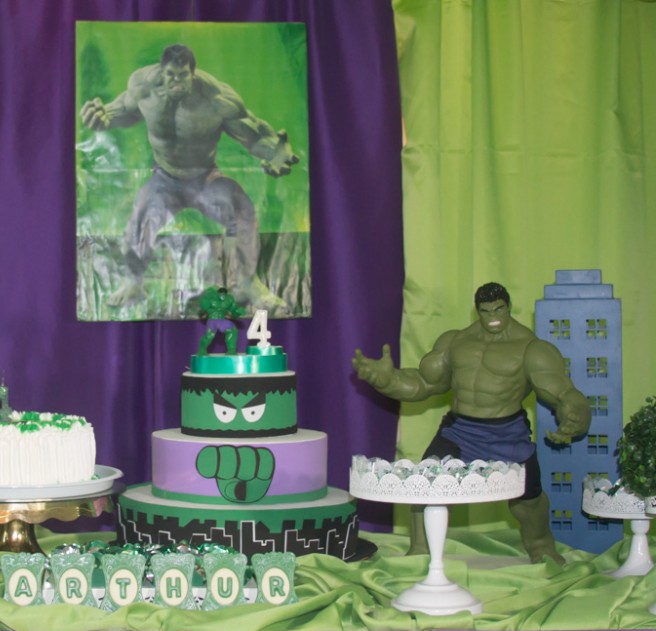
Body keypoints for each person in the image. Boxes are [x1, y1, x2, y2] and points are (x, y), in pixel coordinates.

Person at [352, 282, 591, 564]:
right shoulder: (456, 342)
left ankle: (542, 547)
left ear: (508, 306)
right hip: (460, 431)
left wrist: (576, 415)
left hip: (507, 433)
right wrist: (387, 380)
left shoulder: (531, 348)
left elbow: (563, 393)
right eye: (486, 310)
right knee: (425, 483)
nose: (493, 316)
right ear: (477, 310)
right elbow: (424, 383)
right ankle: (420, 553)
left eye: (498, 309)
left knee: (529, 500)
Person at [80, 43, 299, 313]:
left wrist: (274, 153)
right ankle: (133, 282)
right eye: (170, 75)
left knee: (241, 208)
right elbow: (121, 111)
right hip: (165, 179)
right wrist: (102, 118)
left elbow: (251, 133)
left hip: (205, 178)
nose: (176, 81)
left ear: (192, 74)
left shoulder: (216, 98)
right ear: (161, 71)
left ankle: (247, 283)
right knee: (141, 215)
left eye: (182, 75)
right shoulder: (144, 87)